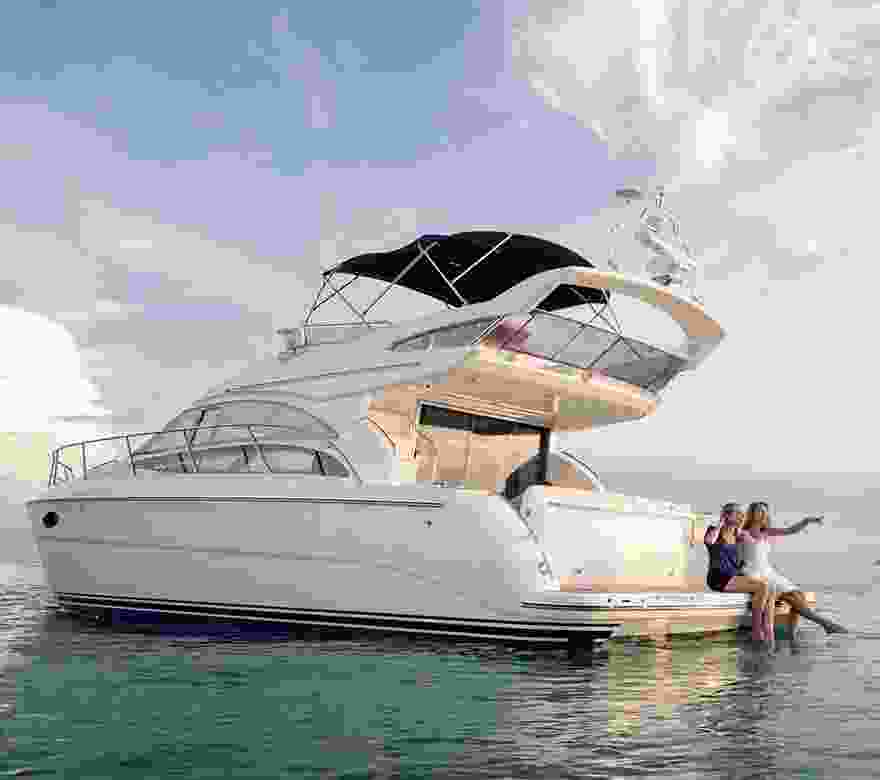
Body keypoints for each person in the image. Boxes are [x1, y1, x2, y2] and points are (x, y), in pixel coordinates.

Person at [739, 501, 847, 638]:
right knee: (791, 597)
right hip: (752, 572)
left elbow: (790, 530)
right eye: (759, 510)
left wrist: (806, 521)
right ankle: (826, 624)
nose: (762, 514)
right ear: (752, 513)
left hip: (768, 571)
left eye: (765, 511)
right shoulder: (742, 533)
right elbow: (735, 554)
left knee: (799, 594)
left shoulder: (767, 532)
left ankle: (792, 634)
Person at [704, 502, 773, 643]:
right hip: (719, 577)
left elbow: (756, 544)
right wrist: (720, 523)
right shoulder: (714, 530)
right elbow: (709, 541)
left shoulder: (738, 533)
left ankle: (768, 629)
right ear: (727, 515)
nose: (742, 516)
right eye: (739, 514)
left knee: (769, 588)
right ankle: (756, 631)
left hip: (734, 576)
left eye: (742, 514)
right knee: (762, 587)